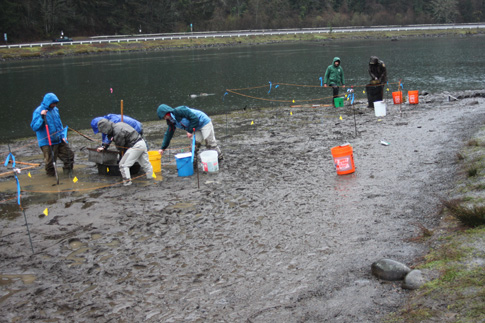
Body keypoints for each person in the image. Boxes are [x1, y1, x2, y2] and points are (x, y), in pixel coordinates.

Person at [96, 118, 153, 186]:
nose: (104, 133)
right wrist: (104, 146)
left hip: (135, 146)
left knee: (123, 165)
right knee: (146, 164)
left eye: (103, 131)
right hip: (142, 143)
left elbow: (120, 146)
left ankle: (127, 184)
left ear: (106, 128)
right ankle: (151, 180)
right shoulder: (119, 124)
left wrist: (120, 155)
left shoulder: (117, 131)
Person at [156, 104, 223, 162]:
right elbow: (168, 134)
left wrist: (189, 131)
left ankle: (219, 158)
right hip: (195, 128)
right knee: (193, 147)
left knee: (210, 143)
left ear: (167, 112)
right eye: (163, 118)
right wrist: (162, 148)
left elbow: (194, 118)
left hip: (204, 122)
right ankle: (193, 162)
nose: (164, 118)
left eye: (164, 116)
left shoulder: (180, 110)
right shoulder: (171, 121)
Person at [30, 93, 74, 176]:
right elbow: (34, 127)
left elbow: (59, 124)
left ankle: (68, 175)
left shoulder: (55, 110)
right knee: (50, 163)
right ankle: (51, 180)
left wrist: (63, 136)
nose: (54, 105)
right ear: (48, 102)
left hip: (59, 139)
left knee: (69, 156)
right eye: (53, 103)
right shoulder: (38, 111)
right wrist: (41, 117)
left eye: (56, 103)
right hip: (47, 142)